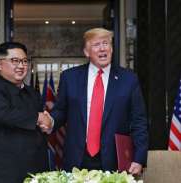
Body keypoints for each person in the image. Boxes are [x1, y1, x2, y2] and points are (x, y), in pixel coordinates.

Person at [38, 28, 148, 175]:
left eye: (106, 43)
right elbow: (61, 111)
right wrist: (51, 121)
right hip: (77, 158)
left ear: (111, 48)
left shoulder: (129, 79)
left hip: (115, 160)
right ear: (86, 52)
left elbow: (138, 121)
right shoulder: (69, 78)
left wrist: (139, 158)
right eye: (96, 44)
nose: (102, 48)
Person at [0, 42, 50, 183]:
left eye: (24, 61)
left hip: (35, 170)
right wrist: (38, 118)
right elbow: (4, 114)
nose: (21, 66)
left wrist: (47, 123)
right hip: (1, 171)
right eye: (15, 61)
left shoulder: (32, 93)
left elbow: (40, 126)